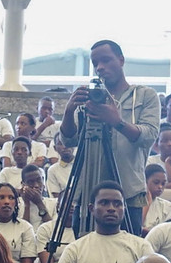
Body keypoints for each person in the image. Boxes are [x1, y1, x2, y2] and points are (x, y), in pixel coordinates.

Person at [57, 40, 159, 229]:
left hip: (127, 191)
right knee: (85, 251)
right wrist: (69, 111)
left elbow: (149, 135)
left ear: (121, 60)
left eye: (106, 60)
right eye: (95, 63)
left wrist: (117, 122)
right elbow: (69, 139)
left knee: (128, 250)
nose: (100, 67)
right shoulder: (90, 99)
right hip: (88, 190)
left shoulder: (145, 95)